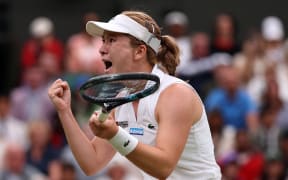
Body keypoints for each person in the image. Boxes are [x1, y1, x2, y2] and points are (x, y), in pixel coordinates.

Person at [48, 10, 221, 179]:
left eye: (111, 40)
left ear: (139, 51)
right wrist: (65, 111)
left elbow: (164, 167)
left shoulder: (176, 94)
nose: (101, 49)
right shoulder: (121, 100)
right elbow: (92, 163)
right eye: (103, 41)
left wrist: (114, 134)